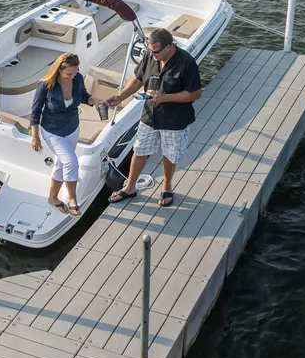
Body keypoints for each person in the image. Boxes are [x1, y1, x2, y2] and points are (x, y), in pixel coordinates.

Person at [105, 28, 202, 207]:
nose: (152, 54)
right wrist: (120, 97)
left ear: (169, 46)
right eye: (150, 50)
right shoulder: (151, 56)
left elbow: (195, 94)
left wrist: (164, 98)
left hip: (175, 119)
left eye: (156, 51)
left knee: (169, 153)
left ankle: (167, 186)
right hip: (150, 115)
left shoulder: (186, 62)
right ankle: (130, 187)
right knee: (140, 150)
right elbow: (138, 79)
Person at [30, 53, 100, 217]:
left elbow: (83, 96)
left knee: (61, 164)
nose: (72, 76)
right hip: (52, 130)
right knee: (71, 162)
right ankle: (72, 199)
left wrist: (94, 100)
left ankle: (53, 197)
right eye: (69, 74)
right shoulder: (45, 85)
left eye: (75, 73)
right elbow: (34, 112)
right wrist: (35, 136)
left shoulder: (78, 78)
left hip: (72, 128)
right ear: (59, 70)